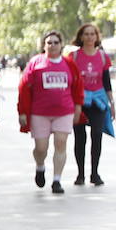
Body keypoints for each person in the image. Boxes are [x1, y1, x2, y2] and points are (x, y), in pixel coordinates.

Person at [17, 30, 83, 194]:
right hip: (40, 112)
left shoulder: (69, 64)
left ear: (61, 45)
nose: (52, 45)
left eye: (56, 42)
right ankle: (40, 166)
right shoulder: (35, 63)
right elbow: (24, 88)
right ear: (44, 45)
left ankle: (57, 180)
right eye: (49, 42)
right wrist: (22, 112)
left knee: (61, 144)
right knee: (41, 148)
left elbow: (77, 86)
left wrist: (78, 108)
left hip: (64, 111)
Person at [70, 23, 116, 186]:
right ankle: (80, 174)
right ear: (81, 37)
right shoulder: (73, 57)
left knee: (97, 135)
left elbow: (106, 82)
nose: (89, 37)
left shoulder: (103, 57)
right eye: (86, 34)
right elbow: (71, 81)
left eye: (92, 34)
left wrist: (111, 103)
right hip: (80, 102)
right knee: (79, 137)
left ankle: (94, 173)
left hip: (98, 100)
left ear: (97, 37)